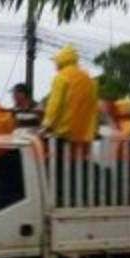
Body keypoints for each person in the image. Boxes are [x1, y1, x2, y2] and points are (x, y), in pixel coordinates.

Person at [41, 45, 99, 206]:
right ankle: (80, 199)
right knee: (78, 169)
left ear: (62, 60)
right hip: (84, 135)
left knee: (56, 169)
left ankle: (60, 199)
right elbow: (93, 107)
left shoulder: (62, 77)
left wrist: (46, 125)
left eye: (56, 61)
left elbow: (55, 104)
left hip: (64, 133)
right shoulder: (89, 79)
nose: (55, 64)